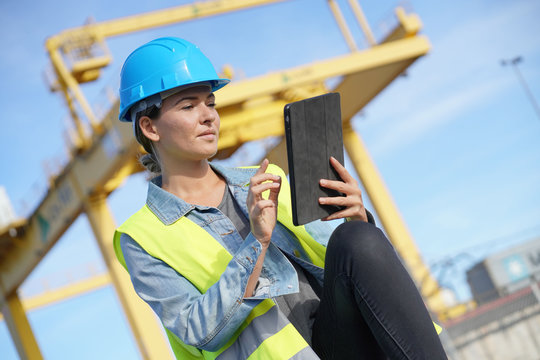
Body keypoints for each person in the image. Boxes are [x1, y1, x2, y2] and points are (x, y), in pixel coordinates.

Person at [113, 36, 447, 359]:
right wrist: (256, 242)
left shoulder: (268, 179)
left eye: (211, 104)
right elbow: (198, 331)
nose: (209, 116)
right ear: (151, 127)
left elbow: (339, 264)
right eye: (188, 106)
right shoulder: (141, 237)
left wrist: (356, 221)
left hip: (340, 341)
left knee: (358, 238)